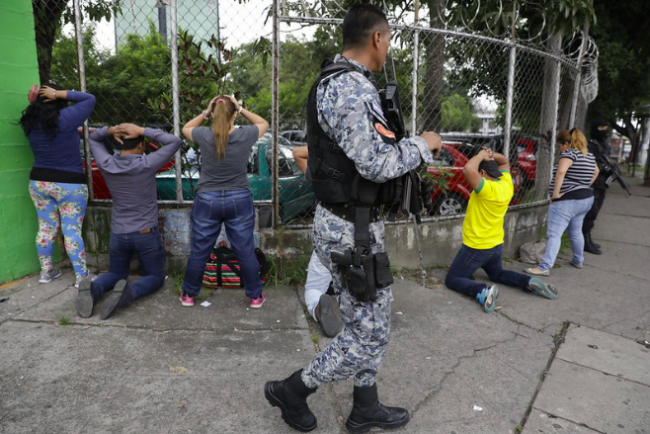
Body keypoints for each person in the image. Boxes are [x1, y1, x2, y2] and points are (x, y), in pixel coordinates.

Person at [265, 5, 441, 433]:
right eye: (390, 39)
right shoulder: (349, 88)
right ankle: (293, 390)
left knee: (372, 320)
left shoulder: (347, 82)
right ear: (378, 39)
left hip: (354, 224)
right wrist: (423, 144)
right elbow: (376, 164)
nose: (390, 47)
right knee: (369, 334)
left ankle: (365, 406)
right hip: (350, 230)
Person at [75, 123, 182, 320]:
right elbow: (175, 141)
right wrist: (142, 130)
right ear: (141, 146)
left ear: (119, 144)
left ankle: (94, 288)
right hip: (145, 234)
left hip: (118, 234)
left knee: (116, 273)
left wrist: (110, 130)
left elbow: (92, 138)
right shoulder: (146, 164)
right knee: (156, 277)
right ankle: (129, 293)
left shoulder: (106, 163)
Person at [179, 95, 269, 308]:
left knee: (200, 249)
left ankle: (189, 296)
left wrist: (205, 113)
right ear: (234, 114)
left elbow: (185, 128)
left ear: (213, 113)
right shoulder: (246, 134)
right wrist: (241, 108)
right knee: (244, 249)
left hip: (207, 198)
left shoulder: (203, 134)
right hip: (238, 197)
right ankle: (255, 296)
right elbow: (263, 123)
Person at [445, 146, 558, 313]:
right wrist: (491, 155)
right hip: (495, 246)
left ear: (482, 174)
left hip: (477, 247)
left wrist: (482, 154)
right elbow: (504, 161)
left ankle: (481, 292)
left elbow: (468, 169)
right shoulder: (506, 185)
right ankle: (527, 282)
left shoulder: (486, 190)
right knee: (497, 274)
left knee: (453, 279)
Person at [20, 84, 96, 288]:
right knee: (71, 231)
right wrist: (58, 93)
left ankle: (47, 272)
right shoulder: (66, 118)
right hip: (69, 183)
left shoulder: (30, 121)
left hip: (39, 182)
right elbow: (89, 98)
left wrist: (35, 102)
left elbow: (40, 113)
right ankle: (82, 277)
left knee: (46, 229)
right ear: (58, 99)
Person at [524, 129, 598, 276]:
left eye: (560, 145)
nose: (560, 149)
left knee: (554, 234)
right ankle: (578, 260)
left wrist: (556, 194)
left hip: (567, 201)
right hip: (586, 198)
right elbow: (596, 172)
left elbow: (561, 172)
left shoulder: (569, 154)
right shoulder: (588, 155)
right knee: (576, 231)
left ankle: (544, 266)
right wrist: (583, 185)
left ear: (566, 143)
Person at [292, 145, 343, 338]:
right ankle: (353, 306)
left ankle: (318, 310)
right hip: (360, 238)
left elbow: (297, 153)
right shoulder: (367, 167)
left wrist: (329, 148)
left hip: (328, 238)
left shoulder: (323, 171)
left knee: (314, 287)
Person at [582, 120, 611, 255]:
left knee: (595, 212)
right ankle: (585, 242)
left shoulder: (604, 144)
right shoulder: (591, 145)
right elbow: (588, 163)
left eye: (605, 127)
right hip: (592, 183)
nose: (603, 130)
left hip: (601, 184)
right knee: (590, 213)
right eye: (601, 127)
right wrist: (603, 168)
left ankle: (588, 239)